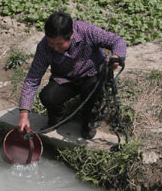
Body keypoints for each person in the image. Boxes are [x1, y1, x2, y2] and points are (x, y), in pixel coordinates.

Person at [17, 11, 127, 139]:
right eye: (51, 43)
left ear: (71, 36)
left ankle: (88, 121)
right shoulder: (44, 47)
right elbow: (32, 79)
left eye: (59, 44)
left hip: (92, 74)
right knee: (48, 96)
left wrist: (116, 57)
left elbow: (117, 41)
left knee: (93, 92)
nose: (55, 48)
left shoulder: (86, 31)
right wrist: (23, 114)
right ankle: (58, 117)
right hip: (65, 79)